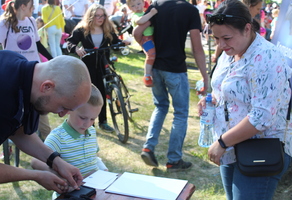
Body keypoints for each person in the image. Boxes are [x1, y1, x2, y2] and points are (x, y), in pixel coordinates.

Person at [199, 0, 292, 199]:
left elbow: (261, 117)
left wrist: (222, 143)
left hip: (261, 148)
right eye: (216, 38)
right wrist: (212, 99)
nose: (221, 45)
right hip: (233, 146)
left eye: (226, 38)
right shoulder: (231, 52)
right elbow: (224, 88)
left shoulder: (267, 57)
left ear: (247, 28)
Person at [0, 50, 92, 193]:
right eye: (63, 107)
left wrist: (55, 161)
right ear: (47, 87)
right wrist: (35, 175)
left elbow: (19, 131)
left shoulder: (26, 75)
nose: (62, 115)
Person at [134, 0, 208, 171]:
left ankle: (148, 147)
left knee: (160, 107)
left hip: (156, 67)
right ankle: (174, 160)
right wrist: (205, 76)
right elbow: (197, 48)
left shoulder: (157, 5)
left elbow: (137, 32)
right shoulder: (190, 10)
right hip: (175, 68)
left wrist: (148, 51)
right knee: (181, 113)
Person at [0, 0, 53, 156]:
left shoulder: (32, 21)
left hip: (35, 75)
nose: (34, 8)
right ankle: (7, 148)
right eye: (31, 5)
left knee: (41, 114)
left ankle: (51, 153)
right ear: (23, 6)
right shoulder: (5, 22)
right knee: (11, 116)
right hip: (14, 77)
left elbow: (38, 45)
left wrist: (52, 59)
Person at [31, 84, 107, 199]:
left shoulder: (91, 131)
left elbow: (94, 157)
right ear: (69, 110)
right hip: (70, 194)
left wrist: (104, 171)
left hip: (94, 191)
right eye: (82, 118)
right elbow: (36, 161)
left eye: (93, 119)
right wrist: (60, 178)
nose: (87, 124)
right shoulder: (57, 138)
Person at [67, 4, 130, 133]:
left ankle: (103, 121)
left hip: (103, 64)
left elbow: (115, 43)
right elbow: (69, 42)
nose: (100, 18)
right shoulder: (82, 29)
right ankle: (89, 123)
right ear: (91, 16)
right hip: (87, 66)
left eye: (102, 15)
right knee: (88, 95)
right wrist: (77, 49)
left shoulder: (108, 28)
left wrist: (123, 43)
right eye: (97, 16)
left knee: (102, 93)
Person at [127, 0, 157, 87]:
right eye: (133, 6)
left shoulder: (144, 13)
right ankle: (147, 75)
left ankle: (150, 73)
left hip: (151, 37)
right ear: (130, 8)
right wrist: (151, 13)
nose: (136, 7)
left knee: (153, 55)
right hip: (145, 38)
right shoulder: (135, 15)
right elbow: (140, 21)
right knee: (151, 55)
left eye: (138, 4)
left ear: (144, 3)